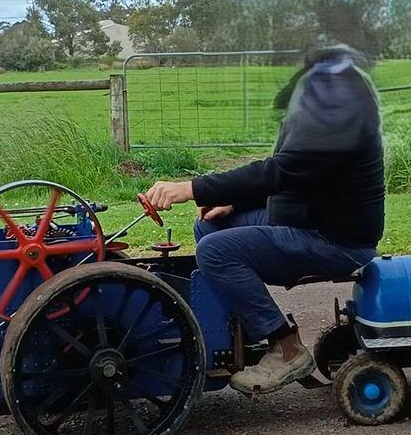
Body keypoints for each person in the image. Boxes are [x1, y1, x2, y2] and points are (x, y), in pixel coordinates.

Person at [144, 43, 386, 396]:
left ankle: (285, 348)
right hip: (305, 219)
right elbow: (297, 173)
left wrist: (193, 188)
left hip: (335, 241)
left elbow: (281, 171)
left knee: (214, 251)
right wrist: (231, 199)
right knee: (209, 226)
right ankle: (242, 326)